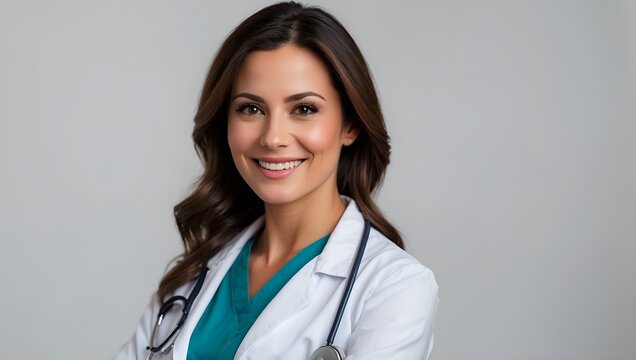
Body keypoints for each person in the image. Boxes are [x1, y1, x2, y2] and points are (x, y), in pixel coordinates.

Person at [116, 2, 438, 359]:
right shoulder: (192, 277)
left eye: (304, 109)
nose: (273, 137)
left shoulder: (395, 288)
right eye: (251, 109)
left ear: (350, 125)